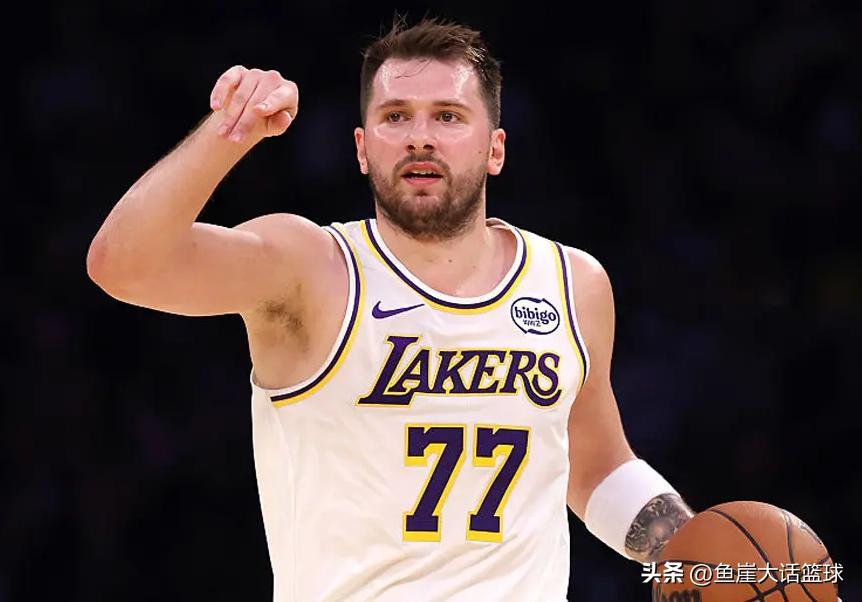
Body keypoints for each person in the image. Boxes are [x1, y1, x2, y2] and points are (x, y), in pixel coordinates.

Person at [87, 16, 694, 601]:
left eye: (448, 116)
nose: (419, 136)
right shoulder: (310, 269)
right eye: (395, 116)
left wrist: (696, 554)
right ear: (361, 148)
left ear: (495, 149)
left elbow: (596, 467)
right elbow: (122, 265)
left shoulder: (572, 283)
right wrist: (230, 132)